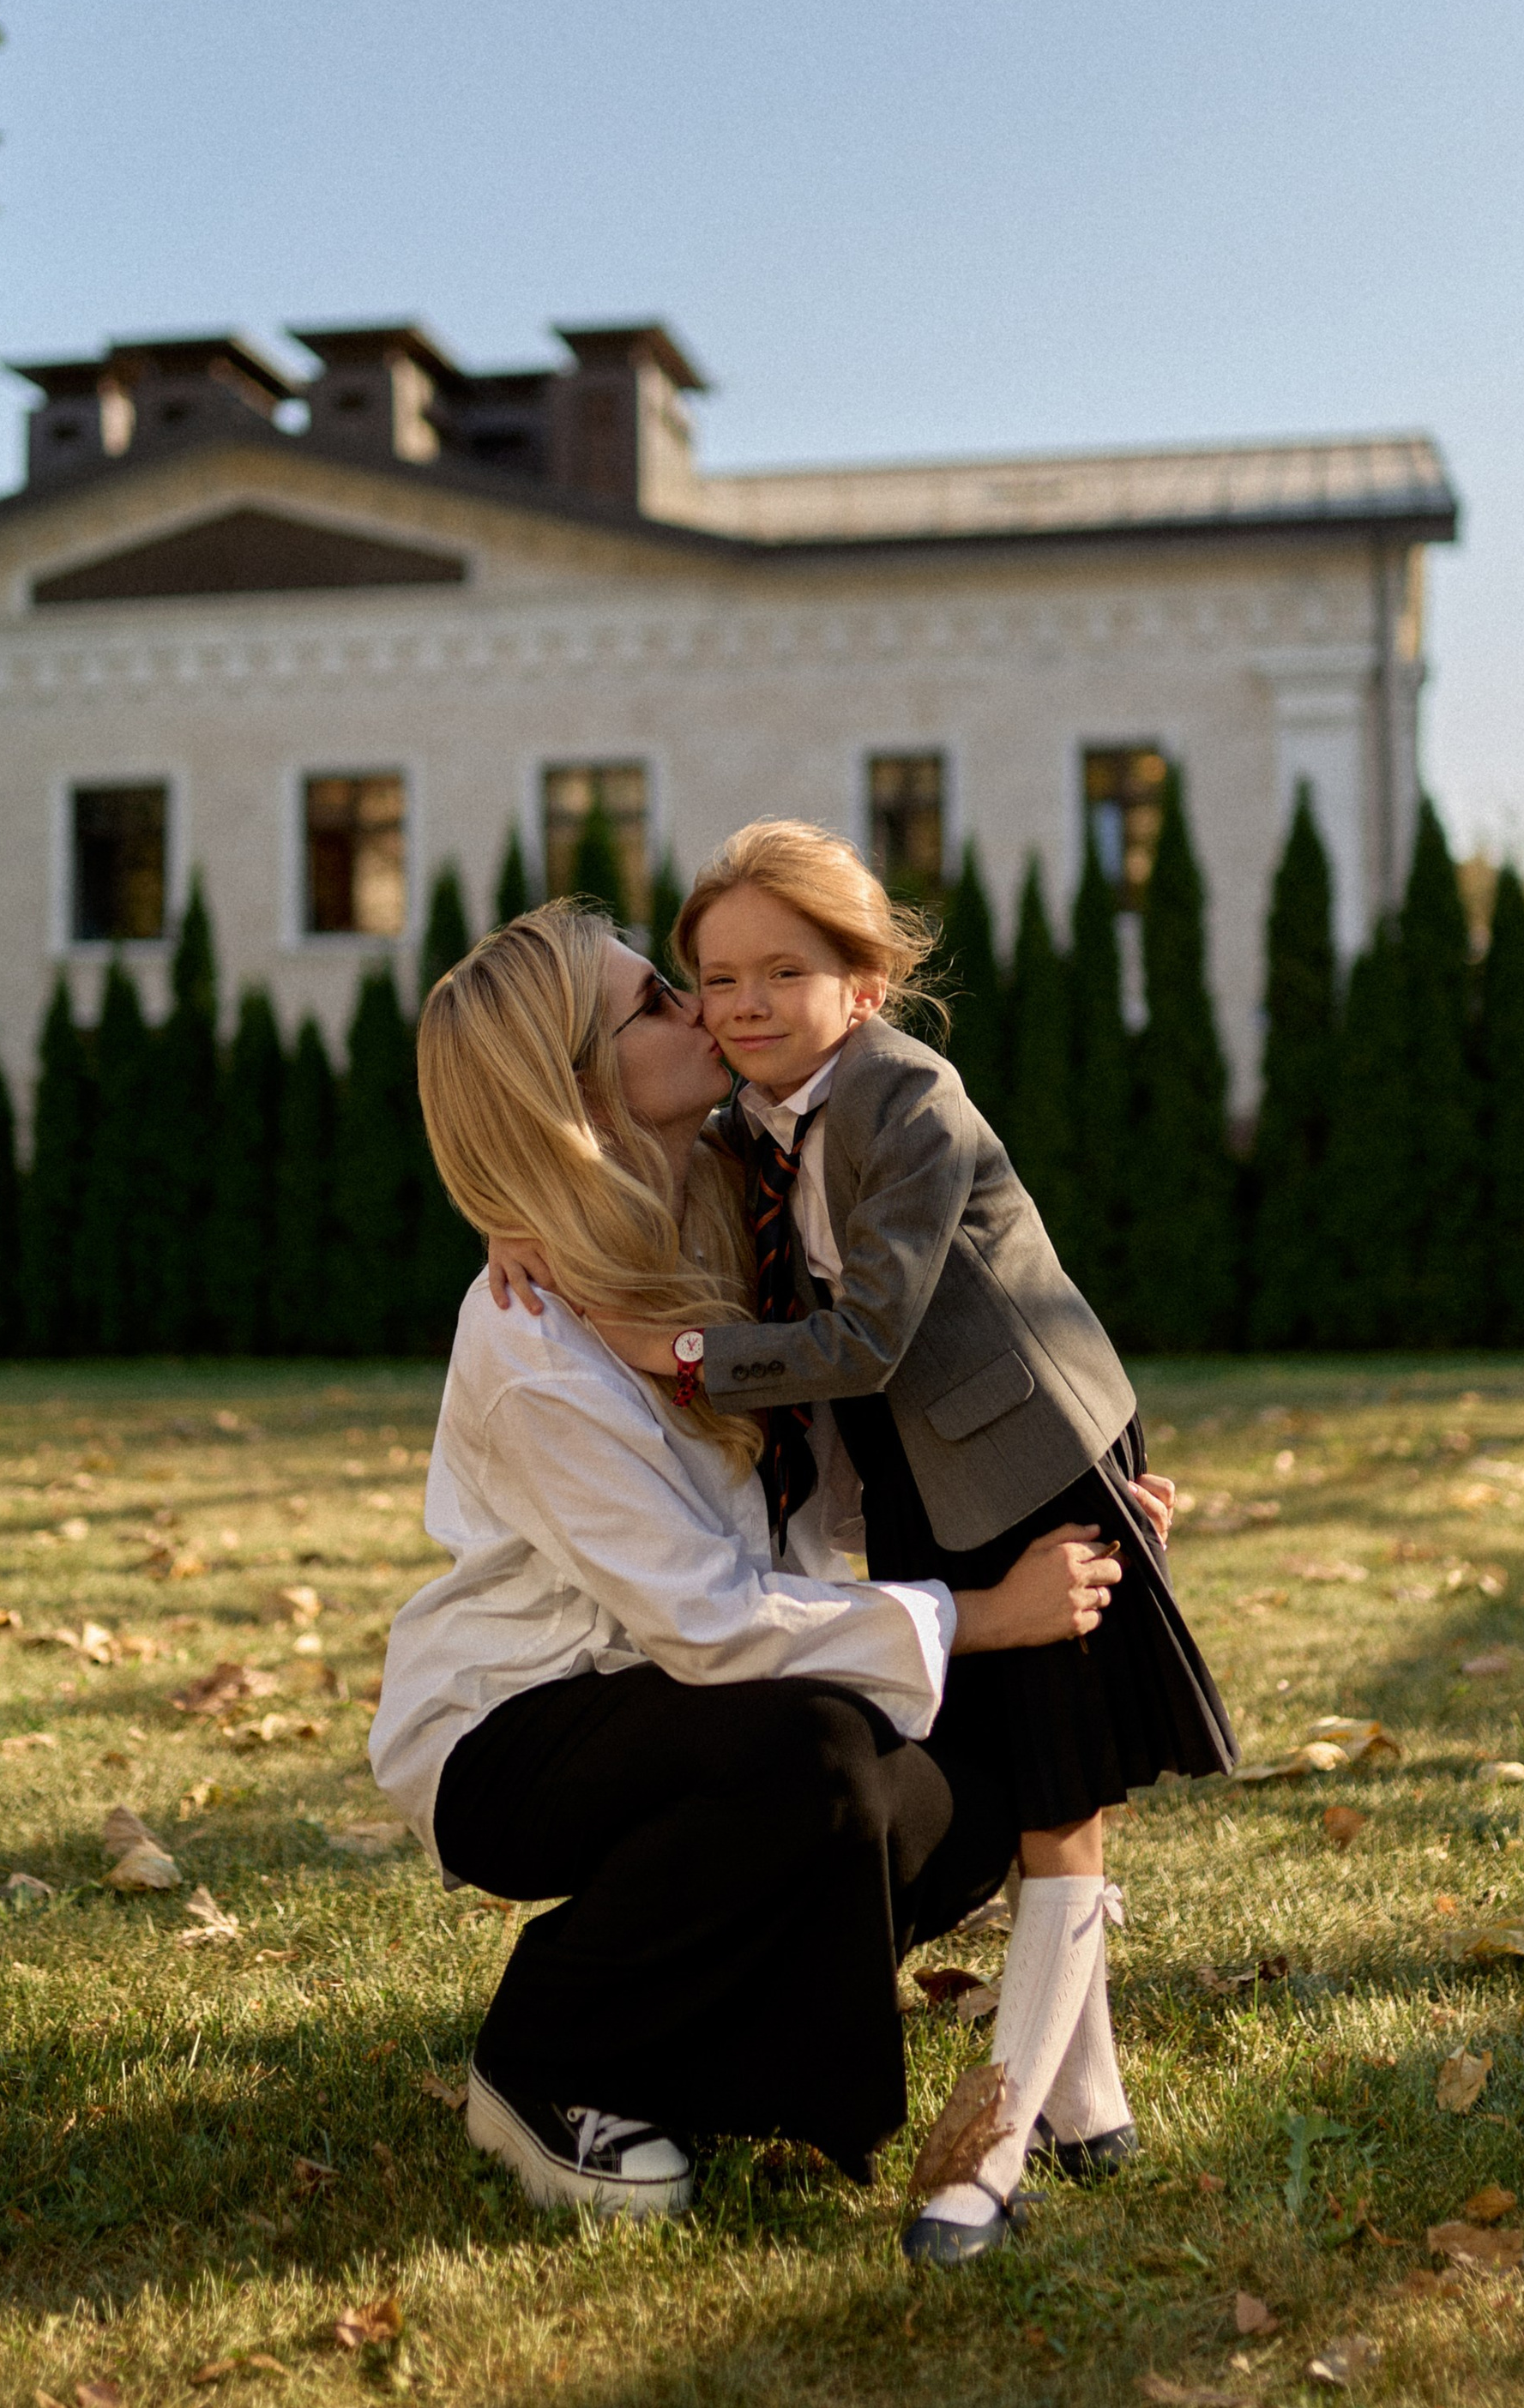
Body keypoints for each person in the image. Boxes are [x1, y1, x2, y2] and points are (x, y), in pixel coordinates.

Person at [491, 820, 1234, 2266]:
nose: (742, 1005)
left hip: (1026, 1464)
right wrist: (516, 1217)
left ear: (867, 985)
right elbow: (608, 1161)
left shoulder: (911, 1105)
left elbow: (868, 1337)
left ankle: (993, 2153)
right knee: (1014, 1773)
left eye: (785, 971)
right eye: (715, 978)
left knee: (1060, 1807)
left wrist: (687, 1357)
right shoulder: (752, 1124)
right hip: (917, 1479)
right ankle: (1094, 2109)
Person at [369, 901, 1124, 2218]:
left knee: (962, 1796)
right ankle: (545, 2058)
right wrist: (980, 1616)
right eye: (658, 1000)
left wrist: (1077, 1484)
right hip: (522, 1725)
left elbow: (870, 1439)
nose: (705, 1006)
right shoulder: (530, 1334)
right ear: (575, 1087)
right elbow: (705, 1626)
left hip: (704, 1699)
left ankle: (687, 2064)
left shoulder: (750, 1205)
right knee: (819, 1757)